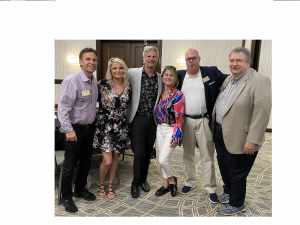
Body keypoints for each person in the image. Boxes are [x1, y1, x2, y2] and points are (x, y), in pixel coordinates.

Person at [213, 47, 272, 216]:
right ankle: (229, 191)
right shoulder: (229, 80)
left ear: (248, 62)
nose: (234, 64)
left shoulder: (260, 80)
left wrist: (252, 140)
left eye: (239, 60)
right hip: (221, 133)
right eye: (232, 60)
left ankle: (237, 204)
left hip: (241, 137)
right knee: (224, 167)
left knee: (237, 172)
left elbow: (262, 113)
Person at [176, 48, 230, 203]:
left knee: (207, 156)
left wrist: (247, 72)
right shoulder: (180, 75)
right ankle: (189, 182)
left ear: (199, 59)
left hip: (204, 121)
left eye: (194, 58)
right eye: (188, 59)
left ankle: (211, 188)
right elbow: (166, 81)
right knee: (188, 155)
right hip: (186, 122)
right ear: (185, 61)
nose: (191, 61)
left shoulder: (210, 72)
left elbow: (229, 79)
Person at [57, 47, 98, 213]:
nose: (91, 62)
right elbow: (63, 108)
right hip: (74, 130)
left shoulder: (94, 81)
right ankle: (66, 196)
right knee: (69, 165)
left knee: (86, 162)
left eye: (94, 60)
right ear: (80, 61)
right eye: (88, 59)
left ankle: (80, 189)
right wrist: (68, 129)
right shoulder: (72, 81)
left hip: (89, 129)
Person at [125, 46, 163, 198]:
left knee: (148, 152)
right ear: (144, 58)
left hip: (152, 120)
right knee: (139, 152)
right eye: (149, 56)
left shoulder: (160, 78)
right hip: (137, 118)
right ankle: (135, 183)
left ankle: (143, 180)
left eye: (154, 56)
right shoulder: (132, 72)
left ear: (157, 59)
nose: (151, 59)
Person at [93, 58, 131, 200]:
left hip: (121, 125)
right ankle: (100, 183)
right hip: (105, 124)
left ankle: (110, 185)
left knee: (115, 158)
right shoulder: (102, 84)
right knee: (107, 160)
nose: (118, 71)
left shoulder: (128, 86)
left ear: (124, 70)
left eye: (120, 68)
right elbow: (90, 101)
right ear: (110, 70)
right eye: (114, 68)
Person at [154, 66, 185, 197]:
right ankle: (165, 184)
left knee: (162, 160)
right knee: (164, 158)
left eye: (171, 75)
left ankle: (172, 180)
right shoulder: (159, 94)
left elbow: (180, 117)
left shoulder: (178, 95)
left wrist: (177, 135)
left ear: (175, 79)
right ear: (162, 77)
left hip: (171, 130)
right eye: (166, 74)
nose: (168, 77)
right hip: (159, 129)